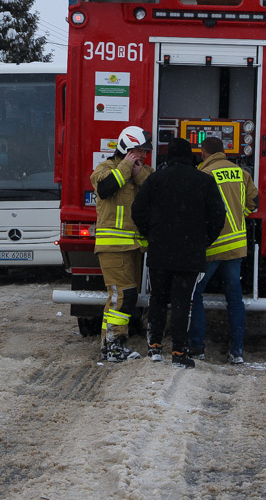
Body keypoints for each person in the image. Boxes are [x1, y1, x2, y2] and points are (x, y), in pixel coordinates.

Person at [131, 138, 225, 369]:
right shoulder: (204, 181)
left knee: (158, 299)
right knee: (183, 302)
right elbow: (217, 217)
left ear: (168, 157)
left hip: (160, 252)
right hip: (190, 254)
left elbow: (137, 210)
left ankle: (154, 347)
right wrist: (203, 240)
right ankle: (179, 351)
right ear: (190, 156)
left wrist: (150, 233)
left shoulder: (155, 180)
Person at [188, 137, 259, 364]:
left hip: (213, 246)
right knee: (235, 299)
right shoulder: (240, 172)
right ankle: (237, 351)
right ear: (224, 151)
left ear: (203, 152)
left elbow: (197, 209)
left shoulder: (204, 174)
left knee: (196, 293)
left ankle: (197, 347)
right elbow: (254, 201)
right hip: (236, 246)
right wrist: (239, 217)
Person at [91, 126, 154, 362]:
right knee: (123, 296)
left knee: (123, 297)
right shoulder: (106, 169)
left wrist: (139, 174)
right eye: (139, 151)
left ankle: (110, 345)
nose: (144, 156)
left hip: (134, 248)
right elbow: (106, 189)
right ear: (127, 149)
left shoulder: (144, 172)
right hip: (113, 247)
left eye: (146, 152)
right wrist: (126, 168)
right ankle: (115, 345)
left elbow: (156, 191)